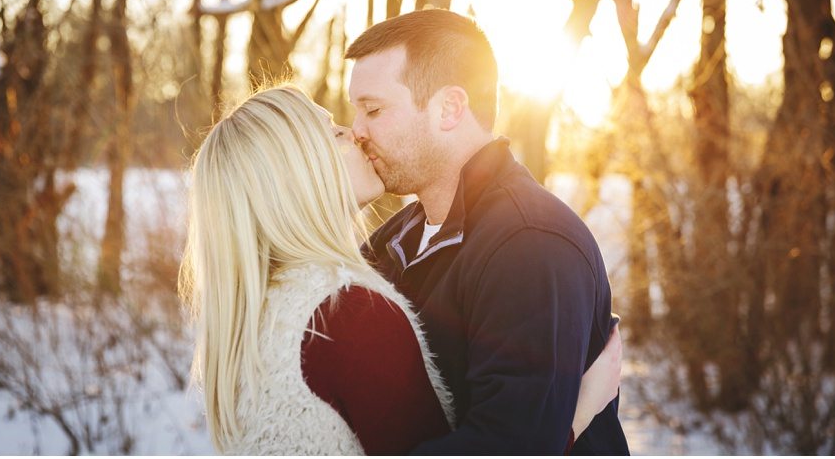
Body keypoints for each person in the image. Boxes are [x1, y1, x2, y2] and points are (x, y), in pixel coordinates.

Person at [179, 84, 623, 455]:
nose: (356, 134)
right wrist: (576, 417)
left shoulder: (258, 307)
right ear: (297, 174)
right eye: (334, 133)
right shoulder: (345, 314)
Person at [345, 9, 630, 455]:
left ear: (450, 108)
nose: (357, 132)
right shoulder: (394, 240)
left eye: (374, 110)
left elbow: (508, 447)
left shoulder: (530, 244)